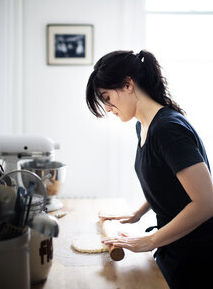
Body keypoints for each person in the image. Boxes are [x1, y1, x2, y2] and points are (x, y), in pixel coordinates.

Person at [86, 50, 213, 289]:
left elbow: (206, 202)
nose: (108, 108)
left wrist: (149, 240)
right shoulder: (144, 126)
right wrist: (140, 212)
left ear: (128, 84)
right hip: (174, 247)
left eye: (107, 97)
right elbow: (168, 180)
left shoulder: (167, 129)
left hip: (197, 255)